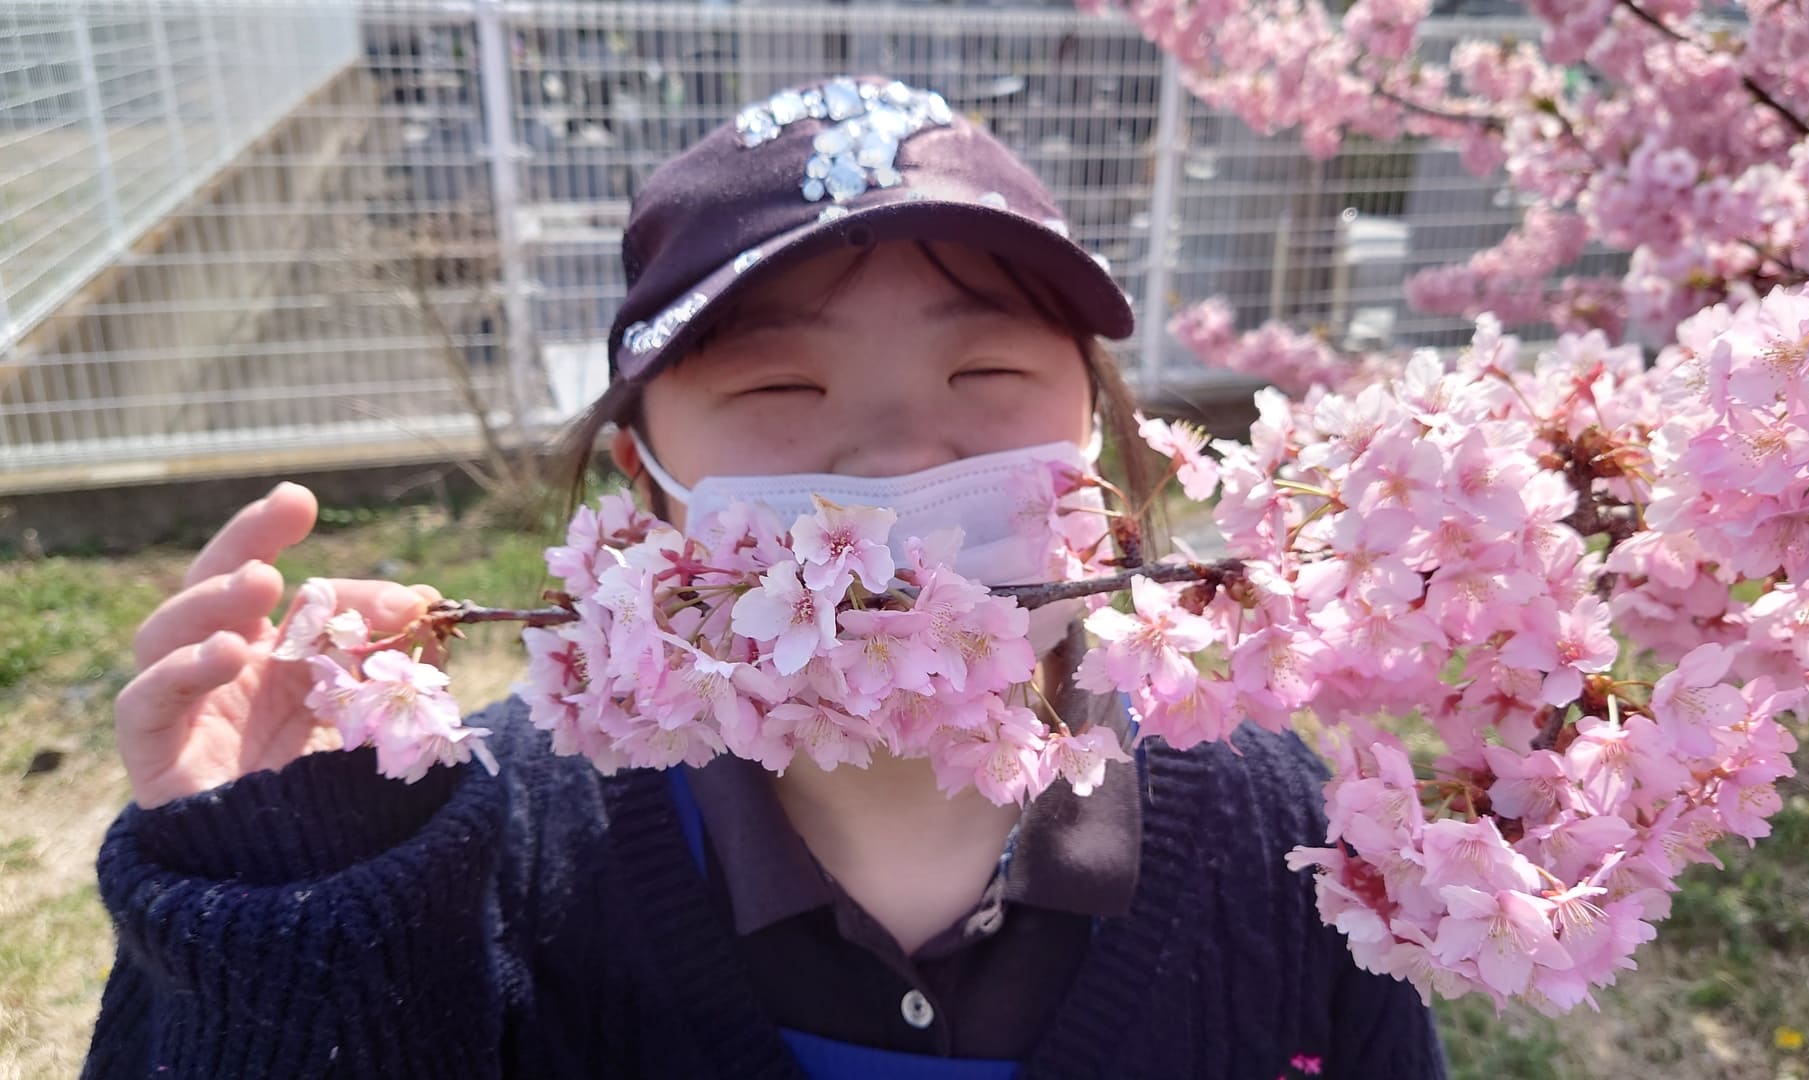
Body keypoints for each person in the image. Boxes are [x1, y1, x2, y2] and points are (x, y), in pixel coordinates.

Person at [85, 76, 1447, 1078]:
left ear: (1098, 436)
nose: (904, 446)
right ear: (640, 479)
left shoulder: (1283, 831)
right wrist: (286, 908)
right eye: (781, 383)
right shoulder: (489, 836)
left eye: (987, 373)